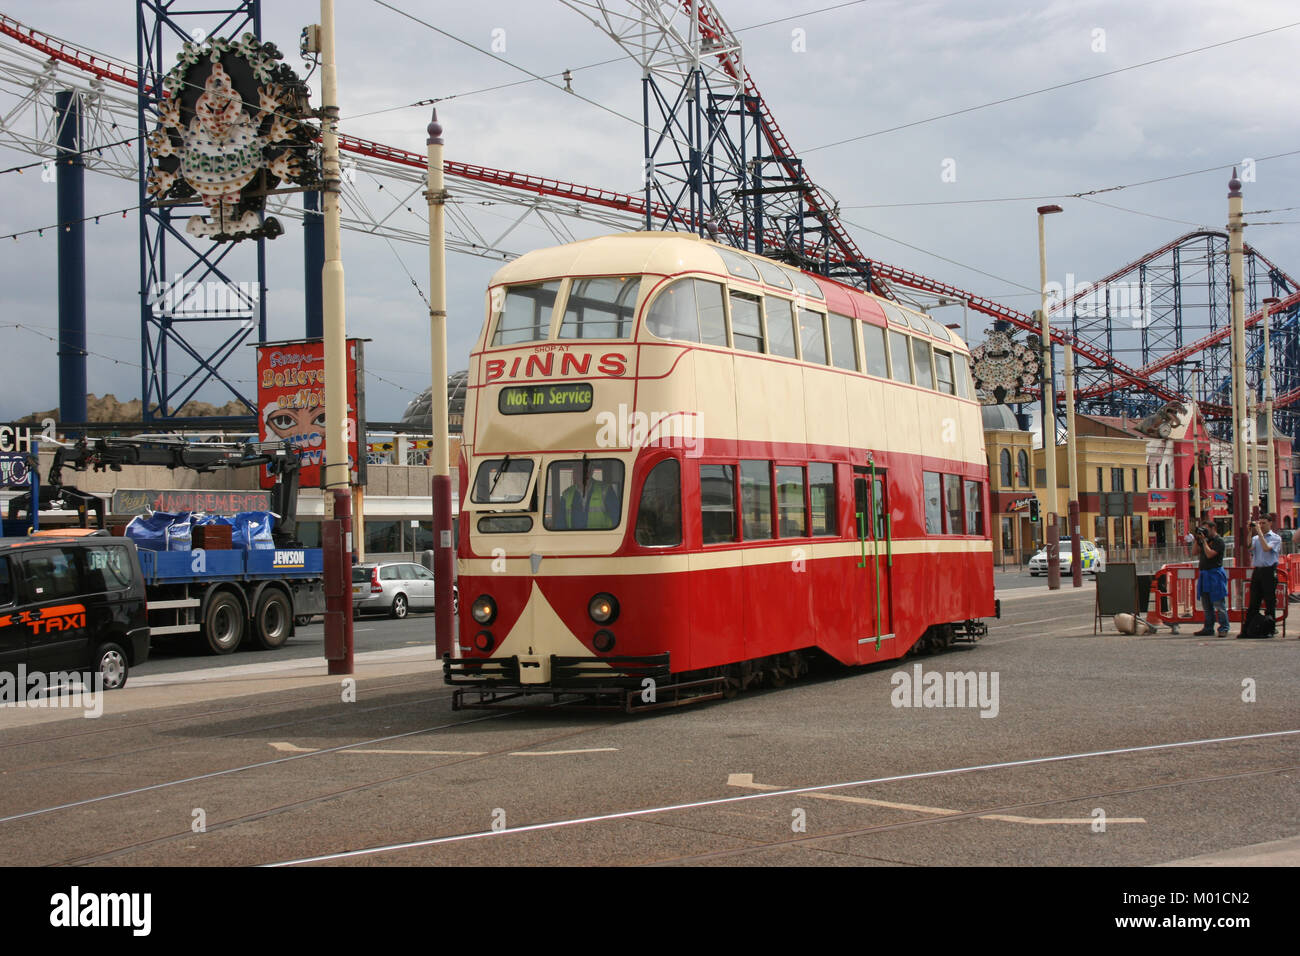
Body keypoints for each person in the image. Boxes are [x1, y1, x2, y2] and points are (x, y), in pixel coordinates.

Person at [1241, 515, 1282, 639]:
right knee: (1254, 601)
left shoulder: (1275, 538)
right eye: (1260, 523)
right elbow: (1249, 547)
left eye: (1264, 523)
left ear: (1270, 523)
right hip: (1257, 571)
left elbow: (1266, 548)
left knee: (1269, 601)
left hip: (1269, 571)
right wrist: (1249, 532)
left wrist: (1259, 533)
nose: (1261, 525)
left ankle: (1270, 628)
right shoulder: (1255, 538)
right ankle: (1248, 629)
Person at [1190, 519, 1229, 636]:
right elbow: (1194, 552)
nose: (1205, 532)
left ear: (1213, 529)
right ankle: (1208, 627)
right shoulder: (1204, 540)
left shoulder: (1219, 541)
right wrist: (1198, 540)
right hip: (1204, 574)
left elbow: (1210, 554)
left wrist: (1204, 542)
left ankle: (1224, 627)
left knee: (1219, 603)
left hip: (1215, 573)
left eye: (1206, 529)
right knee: (1206, 604)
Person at [556, 462, 619, 530]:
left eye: (584, 468)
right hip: (574, 539)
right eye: (577, 468)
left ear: (592, 470)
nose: (580, 472)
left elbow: (617, 520)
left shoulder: (605, 491)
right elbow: (560, 524)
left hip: (601, 539)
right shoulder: (567, 494)